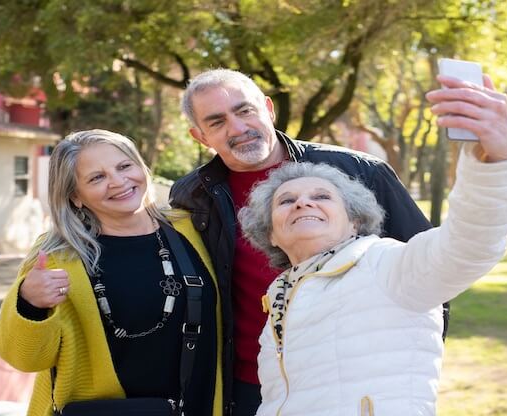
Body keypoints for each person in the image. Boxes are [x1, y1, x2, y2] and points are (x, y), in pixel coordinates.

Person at [170, 69, 435, 415]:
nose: (237, 128)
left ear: (268, 109)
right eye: (217, 122)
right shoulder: (192, 196)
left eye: (245, 110)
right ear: (200, 136)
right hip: (249, 384)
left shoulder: (361, 172)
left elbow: (428, 270)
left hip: (357, 383)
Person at [236, 104, 507, 414]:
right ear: (271, 234)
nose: (303, 203)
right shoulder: (280, 295)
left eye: (321, 196)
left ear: (354, 221)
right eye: (286, 201)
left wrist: (495, 163)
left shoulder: (384, 263)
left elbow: (469, 243)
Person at [0, 129, 222, 416]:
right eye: (97, 178)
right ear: (75, 196)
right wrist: (30, 303)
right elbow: (24, 358)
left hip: (201, 406)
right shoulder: (59, 257)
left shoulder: (192, 229)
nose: (118, 181)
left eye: (124, 166)